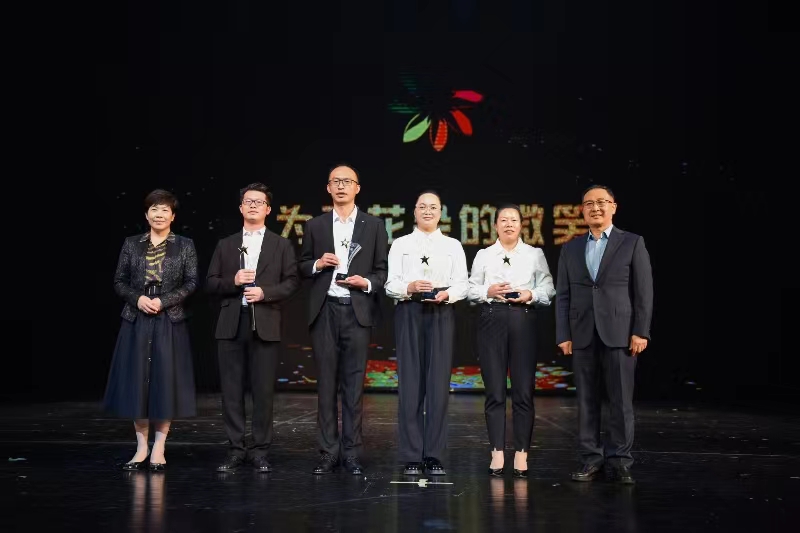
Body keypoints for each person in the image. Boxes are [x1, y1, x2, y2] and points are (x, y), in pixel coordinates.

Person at [555, 184, 653, 485]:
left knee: (620, 401)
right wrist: (563, 334)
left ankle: (620, 460)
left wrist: (640, 331)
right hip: (582, 333)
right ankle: (590, 459)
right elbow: (563, 295)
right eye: (589, 204)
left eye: (601, 202)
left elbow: (643, 292)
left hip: (620, 334)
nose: (595, 208)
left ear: (613, 207)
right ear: (582, 210)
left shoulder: (632, 242)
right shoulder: (570, 248)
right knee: (587, 400)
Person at [299, 164, 388, 475]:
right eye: (335, 181)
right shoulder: (315, 225)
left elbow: (382, 272)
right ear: (328, 188)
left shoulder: (374, 225)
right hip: (325, 309)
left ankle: (351, 452)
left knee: (353, 386)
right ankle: (327, 451)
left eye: (347, 181)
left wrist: (366, 282)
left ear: (357, 188)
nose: (341, 186)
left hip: (357, 310)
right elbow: (301, 266)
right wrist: (317, 264)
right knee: (326, 384)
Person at [206, 182, 299, 473]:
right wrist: (232, 281)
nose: (254, 206)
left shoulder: (281, 244)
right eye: (249, 201)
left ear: (268, 209)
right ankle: (236, 449)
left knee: (263, 391)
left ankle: (260, 450)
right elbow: (210, 283)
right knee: (231, 391)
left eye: (259, 202)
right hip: (231, 324)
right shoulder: (226, 244)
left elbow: (291, 282)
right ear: (241, 208)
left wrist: (265, 293)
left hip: (265, 323)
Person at [105, 189, 198, 471]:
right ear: (146, 215)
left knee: (164, 382)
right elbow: (119, 281)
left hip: (169, 318)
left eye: (165, 210)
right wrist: (138, 298)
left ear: (173, 216)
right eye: (154, 209)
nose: (159, 214)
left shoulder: (185, 245)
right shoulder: (131, 244)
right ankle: (141, 446)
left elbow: (191, 282)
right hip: (136, 317)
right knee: (137, 382)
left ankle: (159, 446)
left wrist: (163, 301)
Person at [468, 204, 555, 477]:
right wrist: (488, 290)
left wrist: (531, 294)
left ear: (521, 225)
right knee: (494, 390)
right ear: (495, 225)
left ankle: (521, 453)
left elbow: (548, 288)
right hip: (491, 319)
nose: (508, 224)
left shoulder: (534, 254)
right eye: (503, 220)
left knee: (523, 390)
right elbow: (470, 289)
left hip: (523, 320)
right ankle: (496, 451)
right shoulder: (484, 255)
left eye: (513, 220)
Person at [385, 191, 469, 476]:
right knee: (410, 384)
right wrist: (408, 288)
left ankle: (434, 455)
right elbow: (390, 284)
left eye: (433, 207)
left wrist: (447, 294)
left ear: (441, 212)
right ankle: (411, 454)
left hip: (441, 312)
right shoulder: (401, 244)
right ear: (414, 211)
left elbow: (463, 284)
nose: (428, 211)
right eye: (422, 206)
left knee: (437, 385)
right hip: (409, 311)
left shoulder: (453, 245)